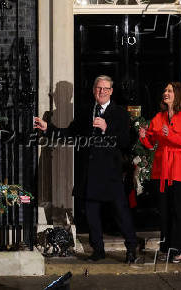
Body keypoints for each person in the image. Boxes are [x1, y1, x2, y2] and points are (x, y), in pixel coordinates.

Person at [34, 75, 137, 263]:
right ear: (94, 90)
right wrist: (48, 127)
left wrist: (107, 128)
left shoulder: (120, 113)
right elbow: (70, 134)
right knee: (91, 215)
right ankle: (98, 250)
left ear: (111, 91)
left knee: (121, 214)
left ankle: (131, 249)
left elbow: (125, 142)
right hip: (89, 172)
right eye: (99, 88)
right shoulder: (85, 111)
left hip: (111, 173)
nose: (102, 92)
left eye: (106, 89)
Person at [139, 82, 181, 263]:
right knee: (164, 211)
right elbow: (151, 142)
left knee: (179, 211)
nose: (165, 93)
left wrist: (169, 134)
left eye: (169, 91)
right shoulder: (159, 116)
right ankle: (166, 248)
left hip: (179, 170)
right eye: (165, 90)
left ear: (177, 95)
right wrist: (143, 137)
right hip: (161, 171)